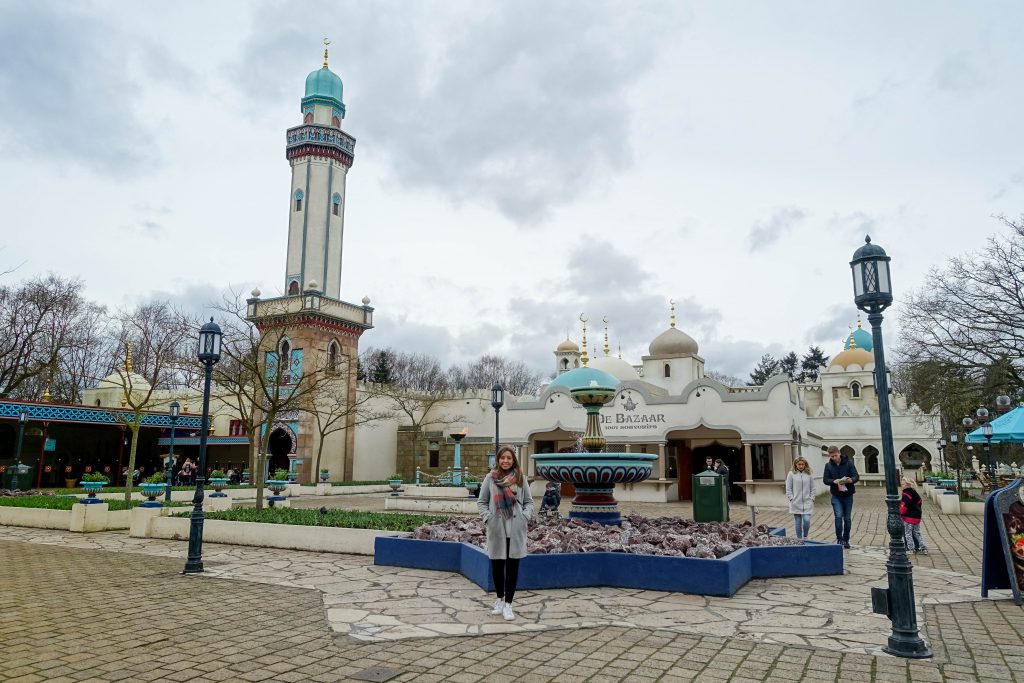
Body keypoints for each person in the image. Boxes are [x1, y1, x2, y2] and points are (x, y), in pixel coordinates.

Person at [477, 445, 534, 622]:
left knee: (512, 568)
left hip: (515, 529)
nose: (506, 461)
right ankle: (499, 599)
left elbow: (529, 502)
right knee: (496, 567)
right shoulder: (490, 478)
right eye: (503, 458)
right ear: (498, 460)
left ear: (513, 460)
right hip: (497, 528)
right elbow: (482, 502)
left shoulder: (520, 478)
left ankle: (509, 604)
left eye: (509, 458)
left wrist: (525, 517)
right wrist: (488, 518)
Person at [822, 446, 859, 549]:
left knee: (847, 518)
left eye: (835, 455)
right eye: (832, 456)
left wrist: (850, 480)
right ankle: (839, 539)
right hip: (836, 495)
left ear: (839, 453)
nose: (834, 458)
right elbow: (825, 480)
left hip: (848, 495)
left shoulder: (849, 463)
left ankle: (846, 539)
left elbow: (856, 476)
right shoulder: (828, 465)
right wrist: (834, 481)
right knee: (838, 517)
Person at [785, 456, 815, 539]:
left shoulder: (809, 474)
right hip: (795, 502)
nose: (801, 466)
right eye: (799, 464)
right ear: (795, 465)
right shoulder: (791, 474)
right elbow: (788, 488)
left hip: (807, 502)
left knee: (806, 520)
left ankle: (805, 536)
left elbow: (813, 488)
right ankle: (799, 539)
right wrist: (791, 498)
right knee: (798, 522)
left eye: (803, 464)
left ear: (805, 465)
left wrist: (812, 498)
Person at [900, 479, 928, 555]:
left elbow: (904, 505)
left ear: (907, 485)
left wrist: (901, 513)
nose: (901, 486)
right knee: (917, 533)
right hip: (917, 516)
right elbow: (920, 501)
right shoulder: (914, 492)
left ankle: (910, 548)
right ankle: (923, 547)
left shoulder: (906, 493)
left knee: (908, 533)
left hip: (909, 517)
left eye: (902, 484)